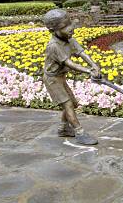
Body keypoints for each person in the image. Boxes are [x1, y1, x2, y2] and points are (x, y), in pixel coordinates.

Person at [42, 9, 101, 145]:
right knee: (68, 104)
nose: (70, 29)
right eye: (64, 27)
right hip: (52, 79)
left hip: (60, 76)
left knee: (72, 103)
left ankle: (63, 128)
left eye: (69, 24)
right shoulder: (53, 46)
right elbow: (69, 63)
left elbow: (81, 53)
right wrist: (88, 71)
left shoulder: (70, 39)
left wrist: (94, 65)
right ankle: (79, 132)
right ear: (53, 30)